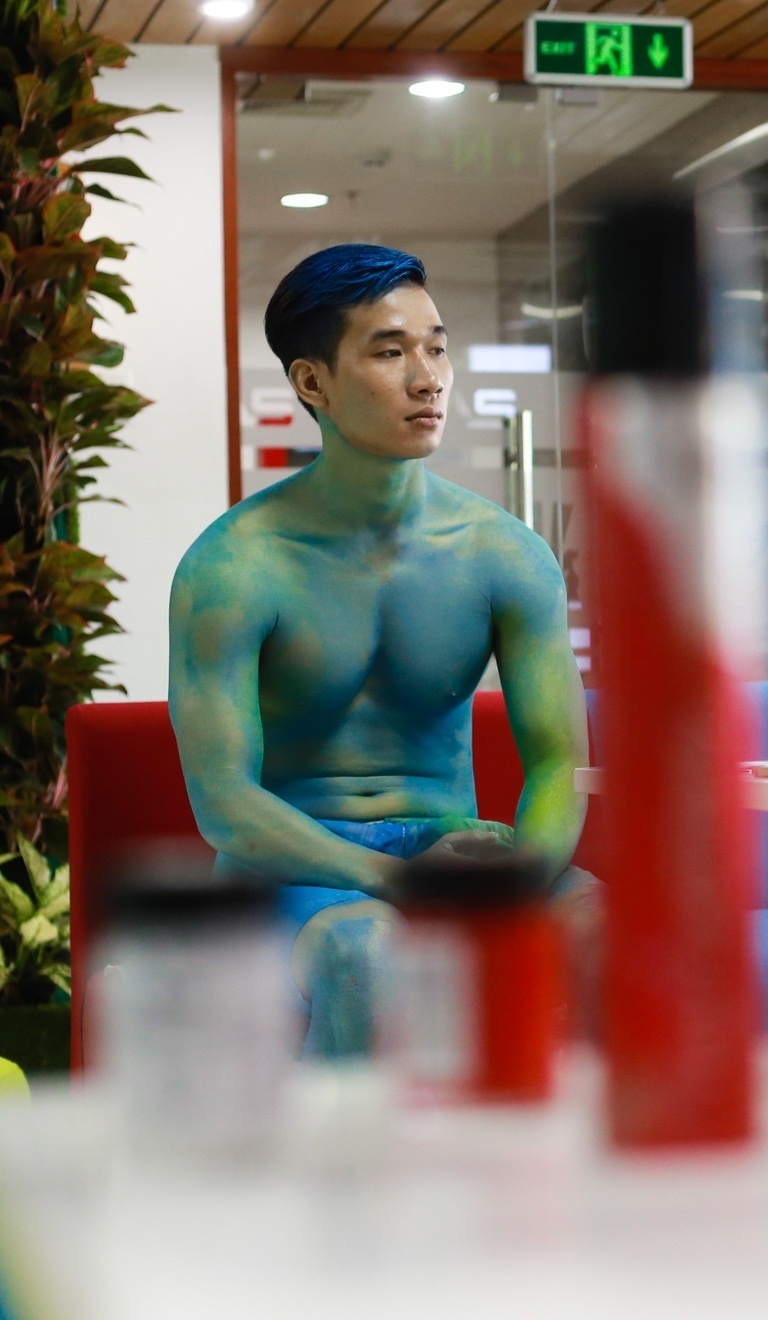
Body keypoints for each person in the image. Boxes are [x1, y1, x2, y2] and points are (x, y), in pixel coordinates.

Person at [169, 244, 589, 1056]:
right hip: (295, 869)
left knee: (601, 924)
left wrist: (517, 881)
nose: (428, 379)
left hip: (453, 846)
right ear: (312, 383)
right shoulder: (233, 568)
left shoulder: (505, 554)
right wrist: (399, 881)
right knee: (370, 954)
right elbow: (224, 801)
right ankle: (346, 1145)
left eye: (437, 348)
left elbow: (559, 762)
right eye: (391, 353)